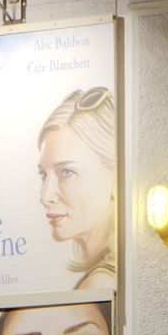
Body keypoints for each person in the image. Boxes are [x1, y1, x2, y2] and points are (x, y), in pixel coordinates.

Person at [33, 87, 120, 294]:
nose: (46, 197)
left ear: (115, 175)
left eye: (66, 173)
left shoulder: (100, 285)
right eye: (43, 175)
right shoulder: (103, 276)